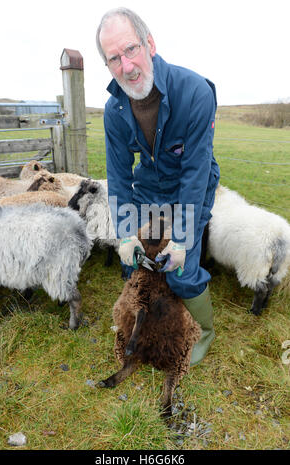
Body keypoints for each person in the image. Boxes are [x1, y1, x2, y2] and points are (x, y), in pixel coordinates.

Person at [96, 7, 220, 366]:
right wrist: (124, 234)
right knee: (139, 258)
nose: (126, 66)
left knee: (181, 269)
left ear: (149, 43)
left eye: (130, 49)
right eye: (114, 58)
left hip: (189, 187)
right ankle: (143, 320)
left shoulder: (194, 91)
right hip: (150, 188)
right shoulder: (114, 111)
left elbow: (195, 173)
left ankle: (203, 331)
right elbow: (119, 176)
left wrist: (180, 238)